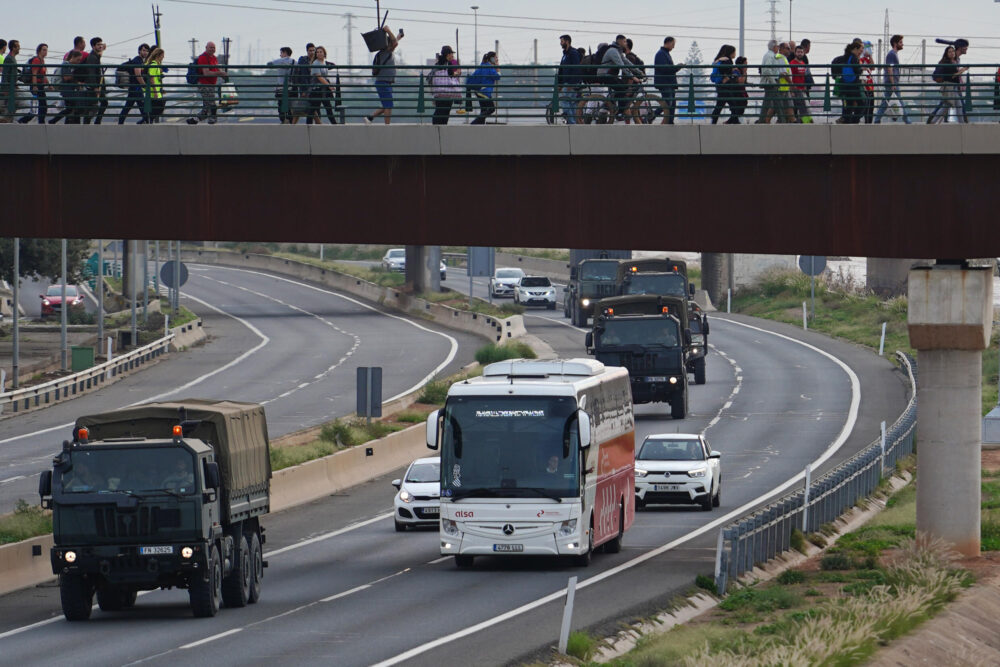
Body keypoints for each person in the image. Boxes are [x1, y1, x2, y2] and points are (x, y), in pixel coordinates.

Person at [598, 35, 642, 121]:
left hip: (610, 75)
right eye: (625, 41)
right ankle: (616, 110)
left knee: (623, 87)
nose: (626, 43)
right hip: (604, 75)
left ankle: (610, 104)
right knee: (622, 88)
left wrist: (639, 72)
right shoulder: (613, 51)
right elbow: (621, 65)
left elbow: (627, 62)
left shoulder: (618, 51)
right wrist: (633, 77)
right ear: (620, 41)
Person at [363, 26, 400, 125]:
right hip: (383, 82)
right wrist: (388, 30)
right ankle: (387, 126)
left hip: (384, 82)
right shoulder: (386, 52)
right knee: (388, 105)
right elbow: (395, 43)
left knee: (386, 104)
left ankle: (370, 118)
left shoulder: (383, 53)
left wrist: (398, 36)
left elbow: (394, 42)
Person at [188, 42, 228, 125]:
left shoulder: (214, 58)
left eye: (214, 47)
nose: (212, 49)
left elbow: (216, 69)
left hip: (211, 84)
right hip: (204, 84)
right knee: (211, 103)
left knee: (207, 105)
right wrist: (220, 74)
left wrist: (222, 74)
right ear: (206, 47)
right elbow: (206, 73)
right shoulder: (203, 58)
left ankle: (194, 120)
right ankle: (212, 119)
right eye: (211, 47)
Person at [875, 35, 910, 124]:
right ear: (895, 43)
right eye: (900, 42)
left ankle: (877, 119)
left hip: (891, 82)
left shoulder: (893, 54)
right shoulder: (891, 54)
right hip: (892, 83)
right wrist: (893, 83)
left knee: (885, 102)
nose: (902, 44)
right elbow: (889, 69)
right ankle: (906, 120)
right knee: (899, 101)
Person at [926, 45, 965, 124]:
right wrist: (964, 69)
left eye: (953, 51)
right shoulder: (947, 63)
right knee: (954, 106)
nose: (952, 53)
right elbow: (953, 75)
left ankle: (933, 121)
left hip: (952, 87)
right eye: (949, 52)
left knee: (949, 106)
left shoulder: (953, 62)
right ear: (946, 54)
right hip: (949, 87)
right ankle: (962, 124)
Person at [653, 37, 683, 124]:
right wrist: (676, 67)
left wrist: (676, 68)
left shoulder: (664, 53)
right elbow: (665, 68)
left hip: (669, 82)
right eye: (673, 44)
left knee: (672, 103)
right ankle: (653, 115)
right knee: (668, 102)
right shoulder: (661, 54)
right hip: (665, 82)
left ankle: (670, 121)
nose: (673, 47)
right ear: (668, 43)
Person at [307, 46, 340, 124]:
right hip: (317, 90)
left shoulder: (323, 62)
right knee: (313, 109)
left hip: (323, 90)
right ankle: (307, 127)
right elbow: (319, 77)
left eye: (320, 52)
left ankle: (335, 125)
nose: (319, 53)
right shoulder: (315, 63)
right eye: (317, 52)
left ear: (324, 53)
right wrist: (329, 85)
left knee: (328, 108)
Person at [118, 43, 150, 124]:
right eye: (143, 50)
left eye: (147, 51)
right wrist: (144, 86)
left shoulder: (139, 60)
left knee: (130, 105)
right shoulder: (138, 60)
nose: (145, 52)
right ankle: (147, 122)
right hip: (136, 87)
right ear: (139, 51)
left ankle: (120, 122)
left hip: (134, 87)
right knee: (141, 105)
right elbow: (138, 75)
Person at [430, 45, 461, 125]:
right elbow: (451, 75)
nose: (452, 56)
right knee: (445, 112)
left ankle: (436, 126)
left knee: (439, 110)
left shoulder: (438, 63)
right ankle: (442, 127)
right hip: (447, 92)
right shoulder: (449, 64)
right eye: (451, 54)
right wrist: (457, 73)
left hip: (438, 93)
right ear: (448, 54)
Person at [467, 51, 500, 125]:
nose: (497, 59)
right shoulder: (489, 67)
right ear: (491, 58)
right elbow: (497, 77)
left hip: (478, 90)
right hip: (484, 91)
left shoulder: (482, 65)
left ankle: (480, 125)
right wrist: (498, 68)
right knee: (491, 109)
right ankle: (474, 123)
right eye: (496, 57)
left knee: (484, 110)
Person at [20, 43, 49, 124]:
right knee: (39, 106)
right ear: (39, 51)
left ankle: (38, 122)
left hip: (40, 86)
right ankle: (25, 121)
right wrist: (34, 86)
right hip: (37, 86)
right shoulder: (36, 60)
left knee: (41, 106)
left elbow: (43, 75)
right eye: (44, 50)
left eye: (46, 50)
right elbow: (34, 74)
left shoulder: (42, 61)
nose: (45, 52)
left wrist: (49, 85)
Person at [81, 37, 108, 124]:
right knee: (94, 105)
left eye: (101, 44)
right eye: (98, 45)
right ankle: (94, 122)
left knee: (94, 105)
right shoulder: (92, 57)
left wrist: (103, 49)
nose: (100, 46)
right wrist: (95, 87)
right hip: (95, 86)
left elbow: (101, 51)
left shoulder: (95, 55)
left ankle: (92, 122)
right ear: (93, 46)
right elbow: (91, 73)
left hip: (97, 85)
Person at [709, 44, 736, 125]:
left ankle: (714, 120)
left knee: (721, 103)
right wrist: (726, 76)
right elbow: (724, 69)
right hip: (724, 86)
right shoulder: (727, 60)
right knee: (733, 104)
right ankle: (734, 120)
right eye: (734, 52)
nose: (735, 54)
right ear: (730, 52)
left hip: (719, 85)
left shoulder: (719, 60)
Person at [557, 34, 582, 124]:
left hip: (571, 83)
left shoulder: (573, 53)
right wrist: (560, 84)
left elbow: (576, 69)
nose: (560, 43)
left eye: (562, 41)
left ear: (567, 41)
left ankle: (572, 122)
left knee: (565, 100)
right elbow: (561, 69)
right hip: (566, 82)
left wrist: (571, 83)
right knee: (571, 103)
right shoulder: (565, 54)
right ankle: (574, 122)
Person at [838, 42, 864, 124]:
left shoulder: (845, 57)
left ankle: (847, 121)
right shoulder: (854, 58)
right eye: (860, 50)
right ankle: (855, 120)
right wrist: (862, 68)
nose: (861, 52)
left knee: (849, 105)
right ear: (855, 49)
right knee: (863, 103)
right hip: (853, 85)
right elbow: (857, 71)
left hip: (845, 85)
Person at [268, 46, 295, 123]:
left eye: (281, 53)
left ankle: (283, 120)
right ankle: (290, 121)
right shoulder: (294, 62)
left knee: (281, 105)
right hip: (291, 88)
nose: (280, 55)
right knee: (290, 106)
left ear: (285, 53)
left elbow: (269, 64)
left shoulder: (280, 61)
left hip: (281, 88)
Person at [59, 50, 85, 124]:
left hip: (69, 90)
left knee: (70, 108)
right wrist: (74, 78)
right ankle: (54, 120)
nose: (78, 62)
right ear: (73, 57)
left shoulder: (70, 66)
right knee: (70, 108)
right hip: (67, 90)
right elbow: (66, 77)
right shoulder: (66, 64)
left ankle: (64, 121)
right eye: (78, 59)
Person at [789, 45, 812, 122]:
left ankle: (806, 120)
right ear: (795, 53)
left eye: (801, 52)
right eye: (798, 52)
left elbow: (804, 77)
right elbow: (790, 77)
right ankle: (807, 121)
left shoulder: (803, 63)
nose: (800, 53)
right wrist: (791, 89)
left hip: (802, 89)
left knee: (804, 106)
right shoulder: (792, 63)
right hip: (795, 89)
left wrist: (805, 86)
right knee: (802, 107)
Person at [144, 46, 166, 123]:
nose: (163, 57)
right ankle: (148, 119)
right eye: (162, 56)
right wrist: (155, 91)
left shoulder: (154, 64)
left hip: (155, 90)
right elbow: (152, 78)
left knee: (157, 107)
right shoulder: (153, 65)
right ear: (158, 56)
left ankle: (149, 120)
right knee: (159, 107)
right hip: (153, 91)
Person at [0, 39, 18, 122]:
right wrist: (6, 86)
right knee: (9, 103)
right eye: (18, 47)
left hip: (9, 86)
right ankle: (6, 119)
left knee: (7, 104)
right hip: (7, 86)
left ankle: (7, 119)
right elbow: (5, 73)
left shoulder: (11, 58)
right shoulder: (6, 58)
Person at [729, 56, 749, 123]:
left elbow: (744, 82)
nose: (747, 65)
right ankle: (731, 121)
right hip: (736, 92)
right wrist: (744, 72)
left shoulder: (743, 71)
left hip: (741, 92)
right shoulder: (736, 71)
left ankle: (730, 121)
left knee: (741, 107)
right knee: (737, 108)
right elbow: (740, 82)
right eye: (745, 63)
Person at [860, 42, 875, 124]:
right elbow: (861, 68)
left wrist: (870, 56)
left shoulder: (867, 59)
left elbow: (873, 67)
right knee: (865, 105)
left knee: (871, 105)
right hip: (863, 85)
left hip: (870, 85)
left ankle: (869, 122)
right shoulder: (859, 58)